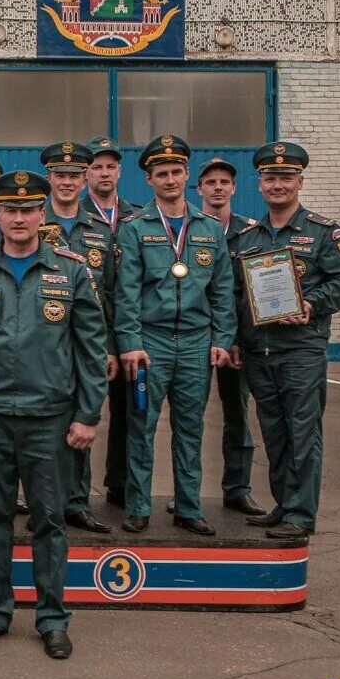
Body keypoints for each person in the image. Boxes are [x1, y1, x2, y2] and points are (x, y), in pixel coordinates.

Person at [0, 171, 108, 660]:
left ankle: (52, 619)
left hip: (50, 417)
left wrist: (88, 414)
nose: (18, 217)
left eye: (28, 209)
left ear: (42, 215)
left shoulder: (73, 270)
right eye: (9, 209)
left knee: (50, 520)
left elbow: (91, 348)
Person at [232, 143, 340, 540]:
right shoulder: (245, 239)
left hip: (301, 349)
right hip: (258, 350)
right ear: (260, 183)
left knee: (303, 432)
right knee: (274, 431)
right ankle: (284, 504)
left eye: (286, 178)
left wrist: (311, 303)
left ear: (299, 182)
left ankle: (301, 515)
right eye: (270, 178)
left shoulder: (323, 232)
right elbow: (235, 296)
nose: (277, 185)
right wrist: (235, 339)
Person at [113, 135, 235, 536]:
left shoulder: (209, 229)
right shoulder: (134, 229)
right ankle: (138, 505)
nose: (169, 179)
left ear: (187, 176)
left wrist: (222, 338)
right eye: (161, 173)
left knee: (190, 428)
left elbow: (222, 290)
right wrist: (130, 344)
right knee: (141, 426)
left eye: (176, 172)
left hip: (198, 343)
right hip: (152, 343)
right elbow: (126, 293)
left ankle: (187, 506)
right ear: (148, 180)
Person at [40, 141, 119, 535]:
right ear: (49, 179)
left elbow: (114, 292)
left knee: (82, 419)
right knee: (42, 423)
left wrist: (110, 348)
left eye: (74, 175)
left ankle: (77, 502)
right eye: (60, 175)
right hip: (43, 341)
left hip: (87, 342)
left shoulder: (102, 230)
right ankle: (44, 500)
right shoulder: (34, 225)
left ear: (85, 178)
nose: (67, 182)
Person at [193, 157, 265, 516]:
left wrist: (235, 337)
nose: (218, 187)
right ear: (199, 189)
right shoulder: (188, 229)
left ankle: (237, 489)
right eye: (211, 182)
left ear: (234, 188)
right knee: (188, 418)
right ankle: (187, 492)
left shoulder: (251, 233)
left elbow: (252, 293)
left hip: (236, 343)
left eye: (225, 181)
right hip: (192, 339)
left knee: (237, 415)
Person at [85, 135, 140, 508]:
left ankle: (120, 486)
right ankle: (75, 493)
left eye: (110, 166)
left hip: (132, 332)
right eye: (97, 167)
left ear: (119, 171)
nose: (104, 173)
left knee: (129, 414)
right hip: (88, 335)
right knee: (82, 413)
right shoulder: (67, 219)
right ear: (86, 173)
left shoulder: (138, 216)